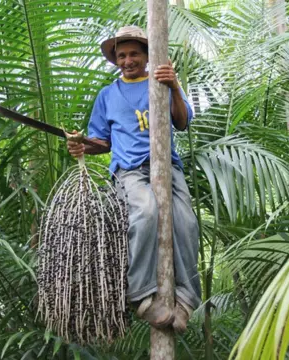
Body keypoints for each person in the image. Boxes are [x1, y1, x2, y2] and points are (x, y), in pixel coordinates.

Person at [66, 25, 200, 334]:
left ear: (147, 56)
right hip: (129, 170)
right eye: (122, 55)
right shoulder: (108, 95)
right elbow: (102, 142)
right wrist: (80, 144)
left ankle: (186, 302)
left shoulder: (161, 83)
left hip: (168, 167)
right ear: (115, 60)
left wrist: (175, 86)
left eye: (134, 54)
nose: (128, 60)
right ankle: (140, 296)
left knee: (187, 224)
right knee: (145, 212)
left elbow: (182, 121)